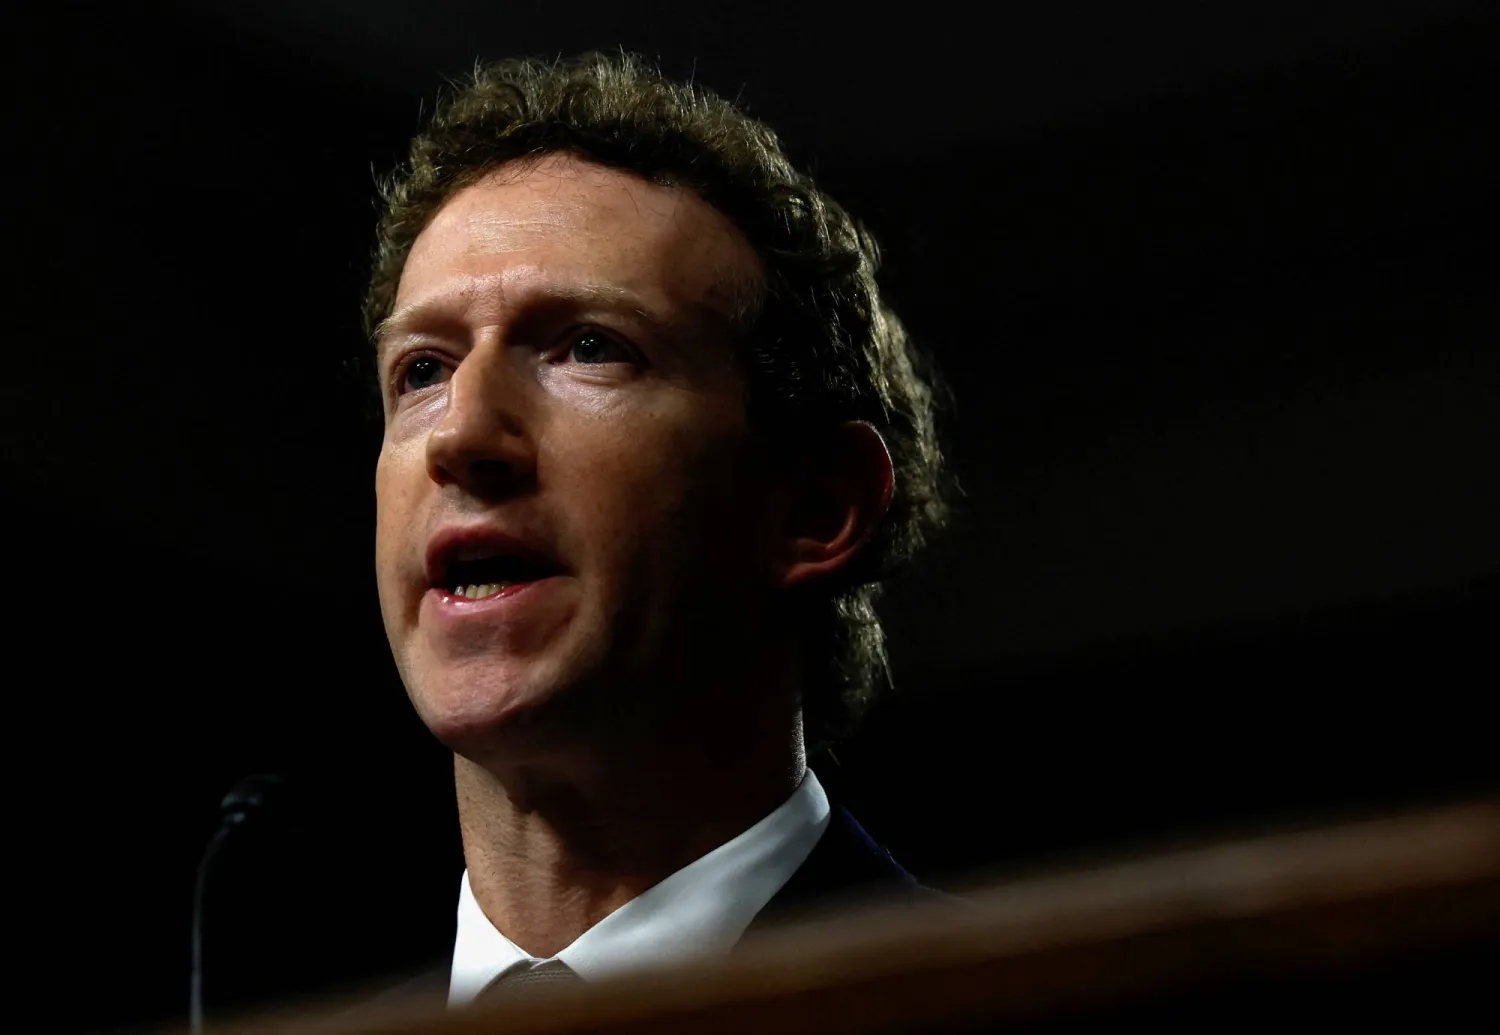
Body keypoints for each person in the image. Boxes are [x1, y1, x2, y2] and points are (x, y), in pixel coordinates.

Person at [364, 50, 950, 1007]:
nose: (461, 435)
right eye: (423, 369)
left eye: (590, 347)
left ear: (816, 507)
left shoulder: (1042, 1001)